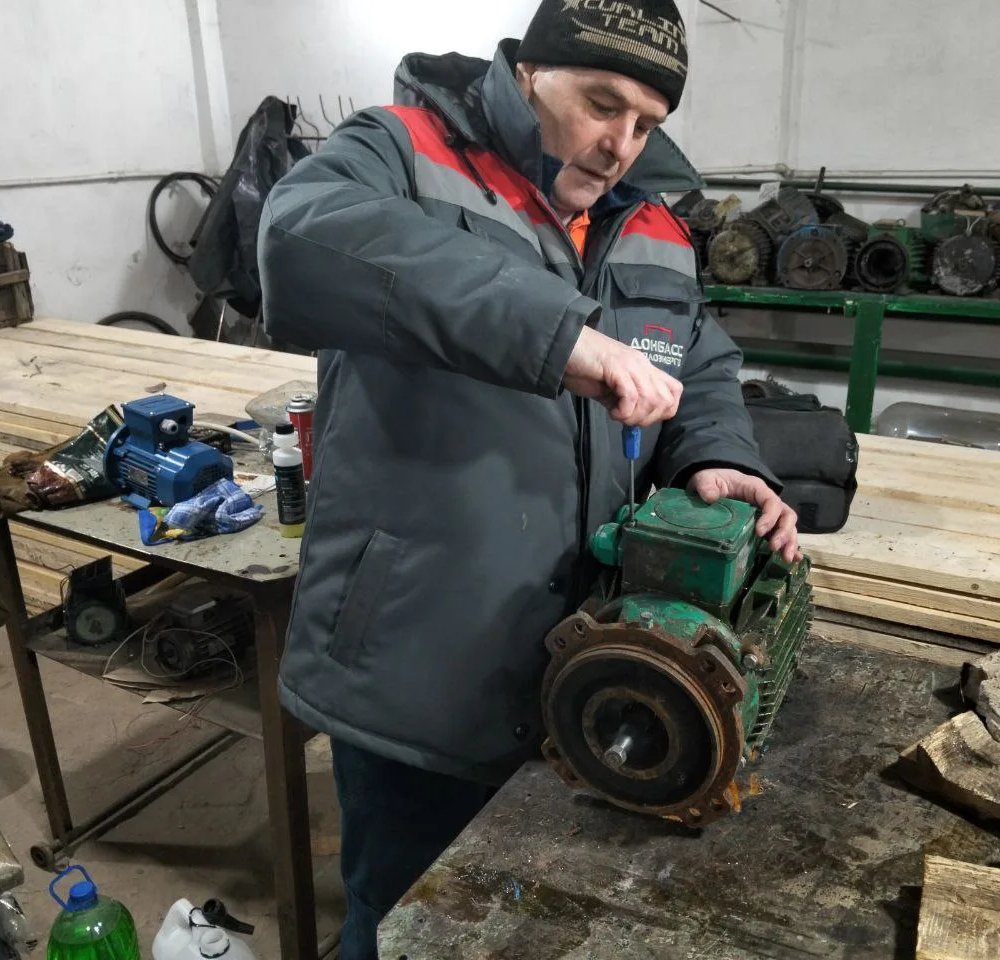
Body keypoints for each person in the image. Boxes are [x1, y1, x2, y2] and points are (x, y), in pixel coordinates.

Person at [257, 1, 800, 955]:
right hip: (419, 664)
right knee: (405, 921)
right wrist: (559, 334)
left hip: (588, 662)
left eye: (647, 123)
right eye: (602, 103)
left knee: (529, 926)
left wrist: (718, 453)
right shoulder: (401, 151)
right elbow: (299, 238)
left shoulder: (653, 223)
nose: (621, 145)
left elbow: (699, 360)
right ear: (527, 74)